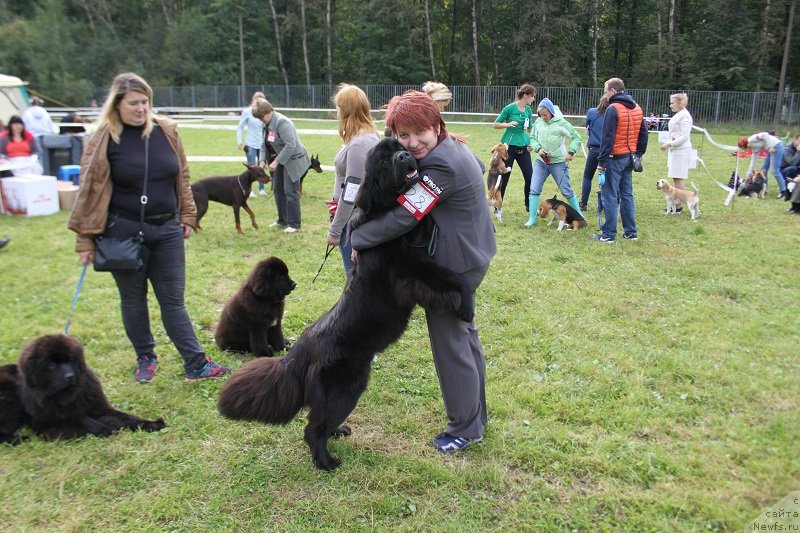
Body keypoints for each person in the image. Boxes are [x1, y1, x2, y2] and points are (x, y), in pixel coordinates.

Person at [349, 90, 496, 454]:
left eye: (420, 132)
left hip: (455, 263)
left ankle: (465, 428)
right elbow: (478, 166)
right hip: (471, 254)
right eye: (403, 135)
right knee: (465, 337)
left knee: (452, 346)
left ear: (436, 125)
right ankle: (476, 417)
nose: (413, 143)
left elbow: (406, 216)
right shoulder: (451, 147)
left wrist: (358, 238)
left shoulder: (441, 164)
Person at [67, 72, 229, 383]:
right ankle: (145, 357)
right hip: (123, 232)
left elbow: (182, 175)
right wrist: (85, 240)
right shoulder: (103, 138)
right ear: (117, 104)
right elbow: (90, 189)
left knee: (173, 301)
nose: (141, 109)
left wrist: (187, 215)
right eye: (133, 103)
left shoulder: (167, 131)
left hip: (167, 230)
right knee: (133, 299)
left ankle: (196, 363)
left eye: (145, 102)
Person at [328, 84, 380, 278]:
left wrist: (335, 231)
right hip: (358, 220)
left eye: (338, 108)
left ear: (346, 110)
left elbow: (351, 192)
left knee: (356, 280)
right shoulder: (366, 137)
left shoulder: (359, 144)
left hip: (354, 223)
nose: (336, 112)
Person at [595, 77, 648, 243]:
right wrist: (639, 153)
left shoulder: (613, 109)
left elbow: (607, 138)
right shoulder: (637, 107)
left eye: (606, 91)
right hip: (630, 157)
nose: (605, 94)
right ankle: (631, 232)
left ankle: (608, 234)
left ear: (612, 90)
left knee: (609, 195)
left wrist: (601, 161)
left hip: (614, 158)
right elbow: (644, 133)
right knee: (626, 195)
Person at [253, 98, 311, 234]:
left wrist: (276, 161)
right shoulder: (266, 124)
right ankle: (282, 220)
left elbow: (291, 145)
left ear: (268, 111)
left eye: (261, 117)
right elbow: (264, 144)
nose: (261, 120)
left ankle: (294, 224)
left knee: (290, 191)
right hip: (279, 160)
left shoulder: (282, 122)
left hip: (292, 160)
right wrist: (262, 161)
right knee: (278, 190)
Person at [524, 97, 584, 226]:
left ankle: (579, 217)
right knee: (534, 189)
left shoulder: (562, 123)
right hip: (541, 162)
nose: (543, 117)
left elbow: (577, 138)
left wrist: (571, 152)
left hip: (559, 163)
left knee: (566, 191)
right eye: (540, 115)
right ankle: (532, 219)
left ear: (551, 112)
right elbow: (532, 138)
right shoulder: (538, 122)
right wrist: (538, 148)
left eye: (545, 114)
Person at [493, 84, 536, 212]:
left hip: (524, 146)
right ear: (526, 95)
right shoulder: (509, 108)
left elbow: (529, 129)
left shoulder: (528, 110)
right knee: (504, 177)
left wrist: (530, 143)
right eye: (533, 96)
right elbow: (495, 124)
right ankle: (497, 207)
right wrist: (508, 124)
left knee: (530, 177)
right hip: (509, 146)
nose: (534, 99)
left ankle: (528, 205)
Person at [659, 93, 693, 212]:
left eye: (672, 103)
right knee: (676, 177)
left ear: (679, 103)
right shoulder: (679, 115)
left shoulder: (685, 116)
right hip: (676, 150)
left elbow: (684, 136)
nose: (670, 105)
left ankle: (678, 206)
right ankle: (678, 204)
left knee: (678, 178)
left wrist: (670, 144)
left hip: (681, 150)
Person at [738, 132, 788, 199]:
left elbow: (765, 134)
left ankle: (783, 192)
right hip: (770, 149)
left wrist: (770, 147)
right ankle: (763, 189)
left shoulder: (752, 139)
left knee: (774, 171)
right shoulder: (753, 148)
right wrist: (749, 173)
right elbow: (753, 159)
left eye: (743, 149)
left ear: (745, 146)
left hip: (776, 146)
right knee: (763, 170)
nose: (744, 150)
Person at [237, 91, 267, 196]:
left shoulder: (265, 112)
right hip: (250, 143)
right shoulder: (247, 112)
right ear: (253, 100)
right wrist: (239, 141)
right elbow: (240, 127)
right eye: (256, 100)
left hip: (262, 143)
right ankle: (249, 190)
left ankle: (262, 189)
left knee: (262, 165)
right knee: (251, 167)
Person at [579, 101, 606, 212]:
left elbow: (588, 127)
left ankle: (583, 203)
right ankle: (605, 204)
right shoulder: (612, 113)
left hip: (594, 149)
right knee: (607, 177)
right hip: (607, 150)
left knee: (587, 177)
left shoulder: (591, 112)